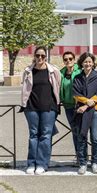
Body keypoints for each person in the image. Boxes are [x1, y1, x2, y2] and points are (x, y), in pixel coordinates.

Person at [20, 46, 61, 175]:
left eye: (43, 56)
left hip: (49, 108)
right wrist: (24, 104)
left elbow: (57, 86)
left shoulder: (53, 71)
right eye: (38, 55)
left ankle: (42, 164)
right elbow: (25, 87)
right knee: (33, 135)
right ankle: (31, 163)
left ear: (46, 57)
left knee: (45, 135)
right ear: (34, 56)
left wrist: (57, 103)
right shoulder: (28, 71)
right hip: (31, 107)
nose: (40, 58)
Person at [73, 52, 97, 175]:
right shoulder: (77, 78)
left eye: (90, 61)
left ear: (93, 63)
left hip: (94, 110)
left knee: (95, 138)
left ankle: (95, 162)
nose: (88, 64)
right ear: (81, 63)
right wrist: (86, 102)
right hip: (81, 111)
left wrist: (88, 104)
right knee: (82, 137)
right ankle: (83, 163)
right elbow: (76, 94)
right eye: (85, 61)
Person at [59, 51, 82, 165]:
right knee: (74, 131)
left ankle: (83, 156)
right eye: (65, 59)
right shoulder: (61, 73)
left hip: (80, 105)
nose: (68, 61)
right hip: (68, 106)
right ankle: (79, 156)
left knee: (81, 131)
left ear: (74, 59)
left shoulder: (80, 71)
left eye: (70, 59)